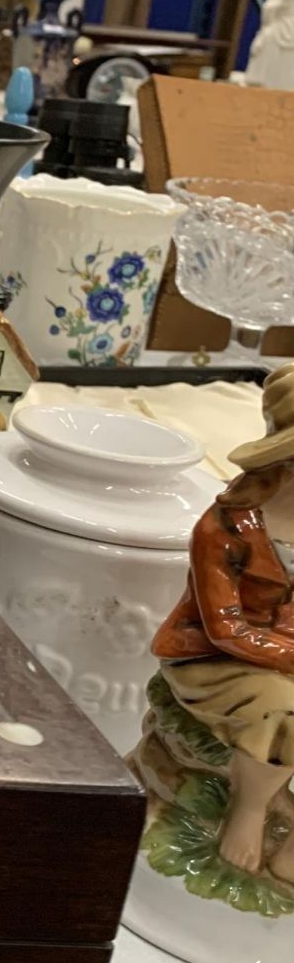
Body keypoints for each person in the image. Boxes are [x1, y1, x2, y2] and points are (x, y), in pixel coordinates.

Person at [152, 363, 294, 877]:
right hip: (212, 658)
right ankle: (249, 809)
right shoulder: (225, 524)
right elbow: (224, 626)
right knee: (283, 709)